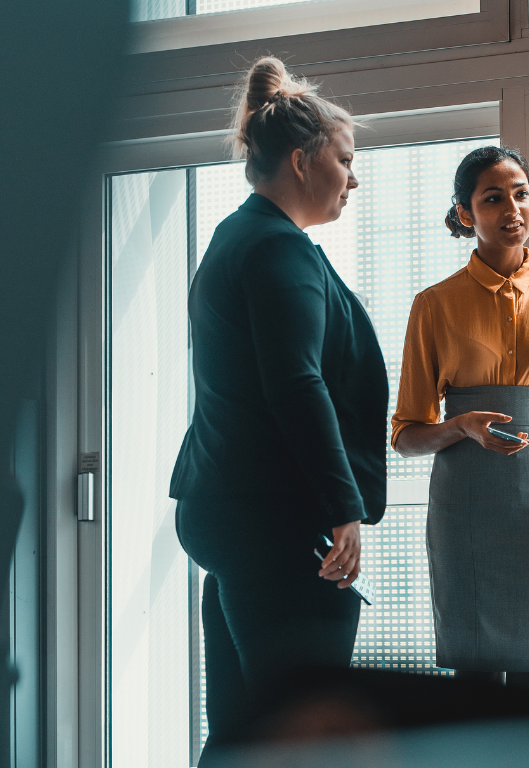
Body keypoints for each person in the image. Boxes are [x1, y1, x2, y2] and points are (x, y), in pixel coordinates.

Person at [169, 57, 388, 763]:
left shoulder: (238, 240)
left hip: (240, 523)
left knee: (241, 732)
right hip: (280, 528)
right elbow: (296, 385)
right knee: (302, 735)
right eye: (345, 160)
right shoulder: (277, 250)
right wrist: (343, 506)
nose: (354, 177)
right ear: (302, 160)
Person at [391, 146, 529, 695]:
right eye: (493, 198)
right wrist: (460, 427)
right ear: (466, 214)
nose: (513, 208)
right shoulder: (433, 305)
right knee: (473, 685)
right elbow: (405, 435)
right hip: (466, 509)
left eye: (521, 194)